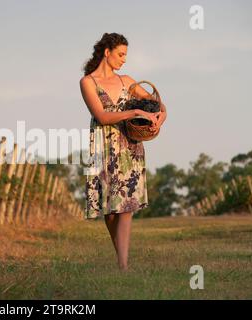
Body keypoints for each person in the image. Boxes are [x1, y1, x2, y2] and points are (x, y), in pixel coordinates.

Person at [79, 32, 167, 271]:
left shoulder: (127, 80)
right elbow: (103, 116)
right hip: (103, 146)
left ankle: (123, 266)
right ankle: (122, 257)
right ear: (106, 53)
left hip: (129, 147)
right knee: (109, 210)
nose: (124, 60)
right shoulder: (88, 82)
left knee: (126, 207)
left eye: (126, 55)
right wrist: (135, 113)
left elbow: (158, 104)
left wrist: (159, 117)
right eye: (120, 54)